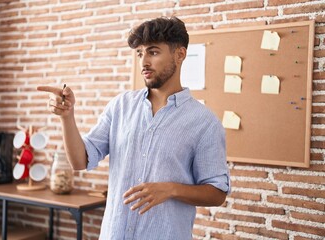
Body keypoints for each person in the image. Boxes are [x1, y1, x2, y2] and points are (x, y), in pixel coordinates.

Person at [38, 16, 230, 240]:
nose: (143, 62)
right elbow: (79, 160)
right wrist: (67, 117)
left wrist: (170, 189)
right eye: (140, 53)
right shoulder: (121, 106)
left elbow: (217, 193)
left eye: (153, 52)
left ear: (180, 54)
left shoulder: (204, 123)